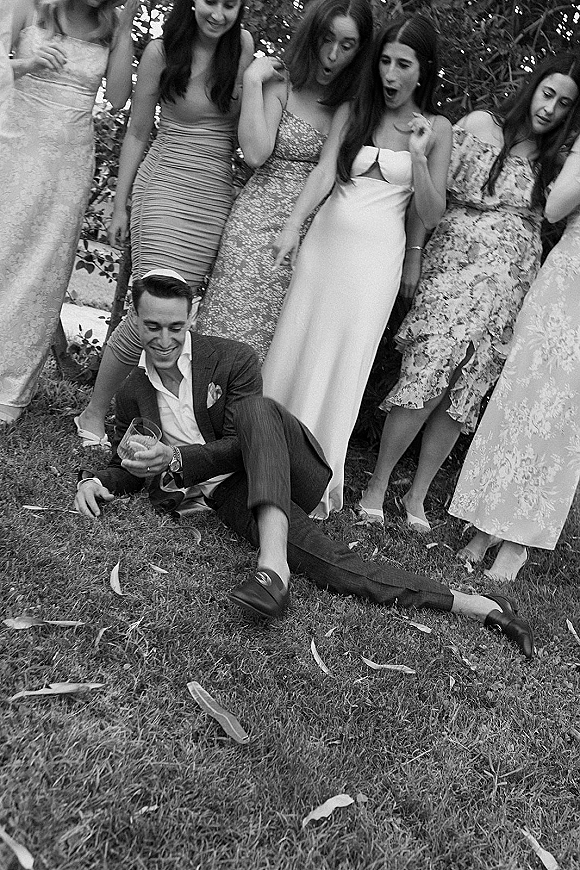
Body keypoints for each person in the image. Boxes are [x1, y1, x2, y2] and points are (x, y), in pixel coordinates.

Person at [74, 270, 534, 659]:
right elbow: (129, 457)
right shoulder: (133, 388)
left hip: (289, 467)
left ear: (192, 315)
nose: (164, 339)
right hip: (231, 491)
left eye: (175, 327)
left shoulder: (231, 358)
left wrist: (176, 459)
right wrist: (99, 480)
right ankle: (479, 604)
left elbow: (243, 443)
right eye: (153, 327)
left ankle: (271, 566)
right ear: (135, 318)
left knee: (257, 411)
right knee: (331, 565)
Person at [358, 53, 580, 532]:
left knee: (468, 384)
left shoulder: (554, 162)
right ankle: (377, 485)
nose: (550, 109)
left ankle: (417, 494)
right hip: (454, 266)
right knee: (429, 367)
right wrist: (413, 253)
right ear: (533, 87)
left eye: (564, 104)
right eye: (547, 94)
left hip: (511, 283)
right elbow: (429, 194)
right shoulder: (479, 126)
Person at [261, 15, 452, 518]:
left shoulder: (437, 130)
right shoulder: (354, 109)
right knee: (296, 342)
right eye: (385, 61)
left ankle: (313, 477)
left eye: (403, 64)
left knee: (346, 361)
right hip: (324, 247)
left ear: (423, 69)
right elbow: (326, 172)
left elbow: (431, 212)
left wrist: (418, 156)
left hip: (376, 262)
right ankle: (262, 453)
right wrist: (292, 226)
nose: (390, 73)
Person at [74, 0, 254, 445]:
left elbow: (245, 130)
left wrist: (259, 79)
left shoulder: (243, 48)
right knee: (152, 308)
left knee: (177, 316)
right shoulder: (162, 51)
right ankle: (93, 414)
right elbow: (137, 131)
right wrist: (120, 205)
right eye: (210, 1)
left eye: (230, 4)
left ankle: (156, 420)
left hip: (212, 196)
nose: (218, 14)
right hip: (165, 186)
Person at [197, 0, 373, 363]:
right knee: (225, 324)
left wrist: (293, 225)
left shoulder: (348, 104)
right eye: (326, 39)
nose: (333, 54)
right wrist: (252, 81)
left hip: (306, 232)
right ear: (312, 35)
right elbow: (255, 153)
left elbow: (325, 170)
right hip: (253, 224)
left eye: (347, 45)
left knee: (272, 347)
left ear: (359, 51)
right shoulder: (282, 83)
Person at [448, 134, 580, 582]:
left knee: (562, 417)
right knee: (520, 401)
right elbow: (555, 208)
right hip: (563, 284)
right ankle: (486, 524)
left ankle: (517, 542)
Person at [0, 0, 138, 424]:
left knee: (43, 271)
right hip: (13, 146)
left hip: (69, 163)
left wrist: (126, 29)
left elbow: (117, 97)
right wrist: (26, 64)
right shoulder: (27, 6)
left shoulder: (112, 26)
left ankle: (8, 389)